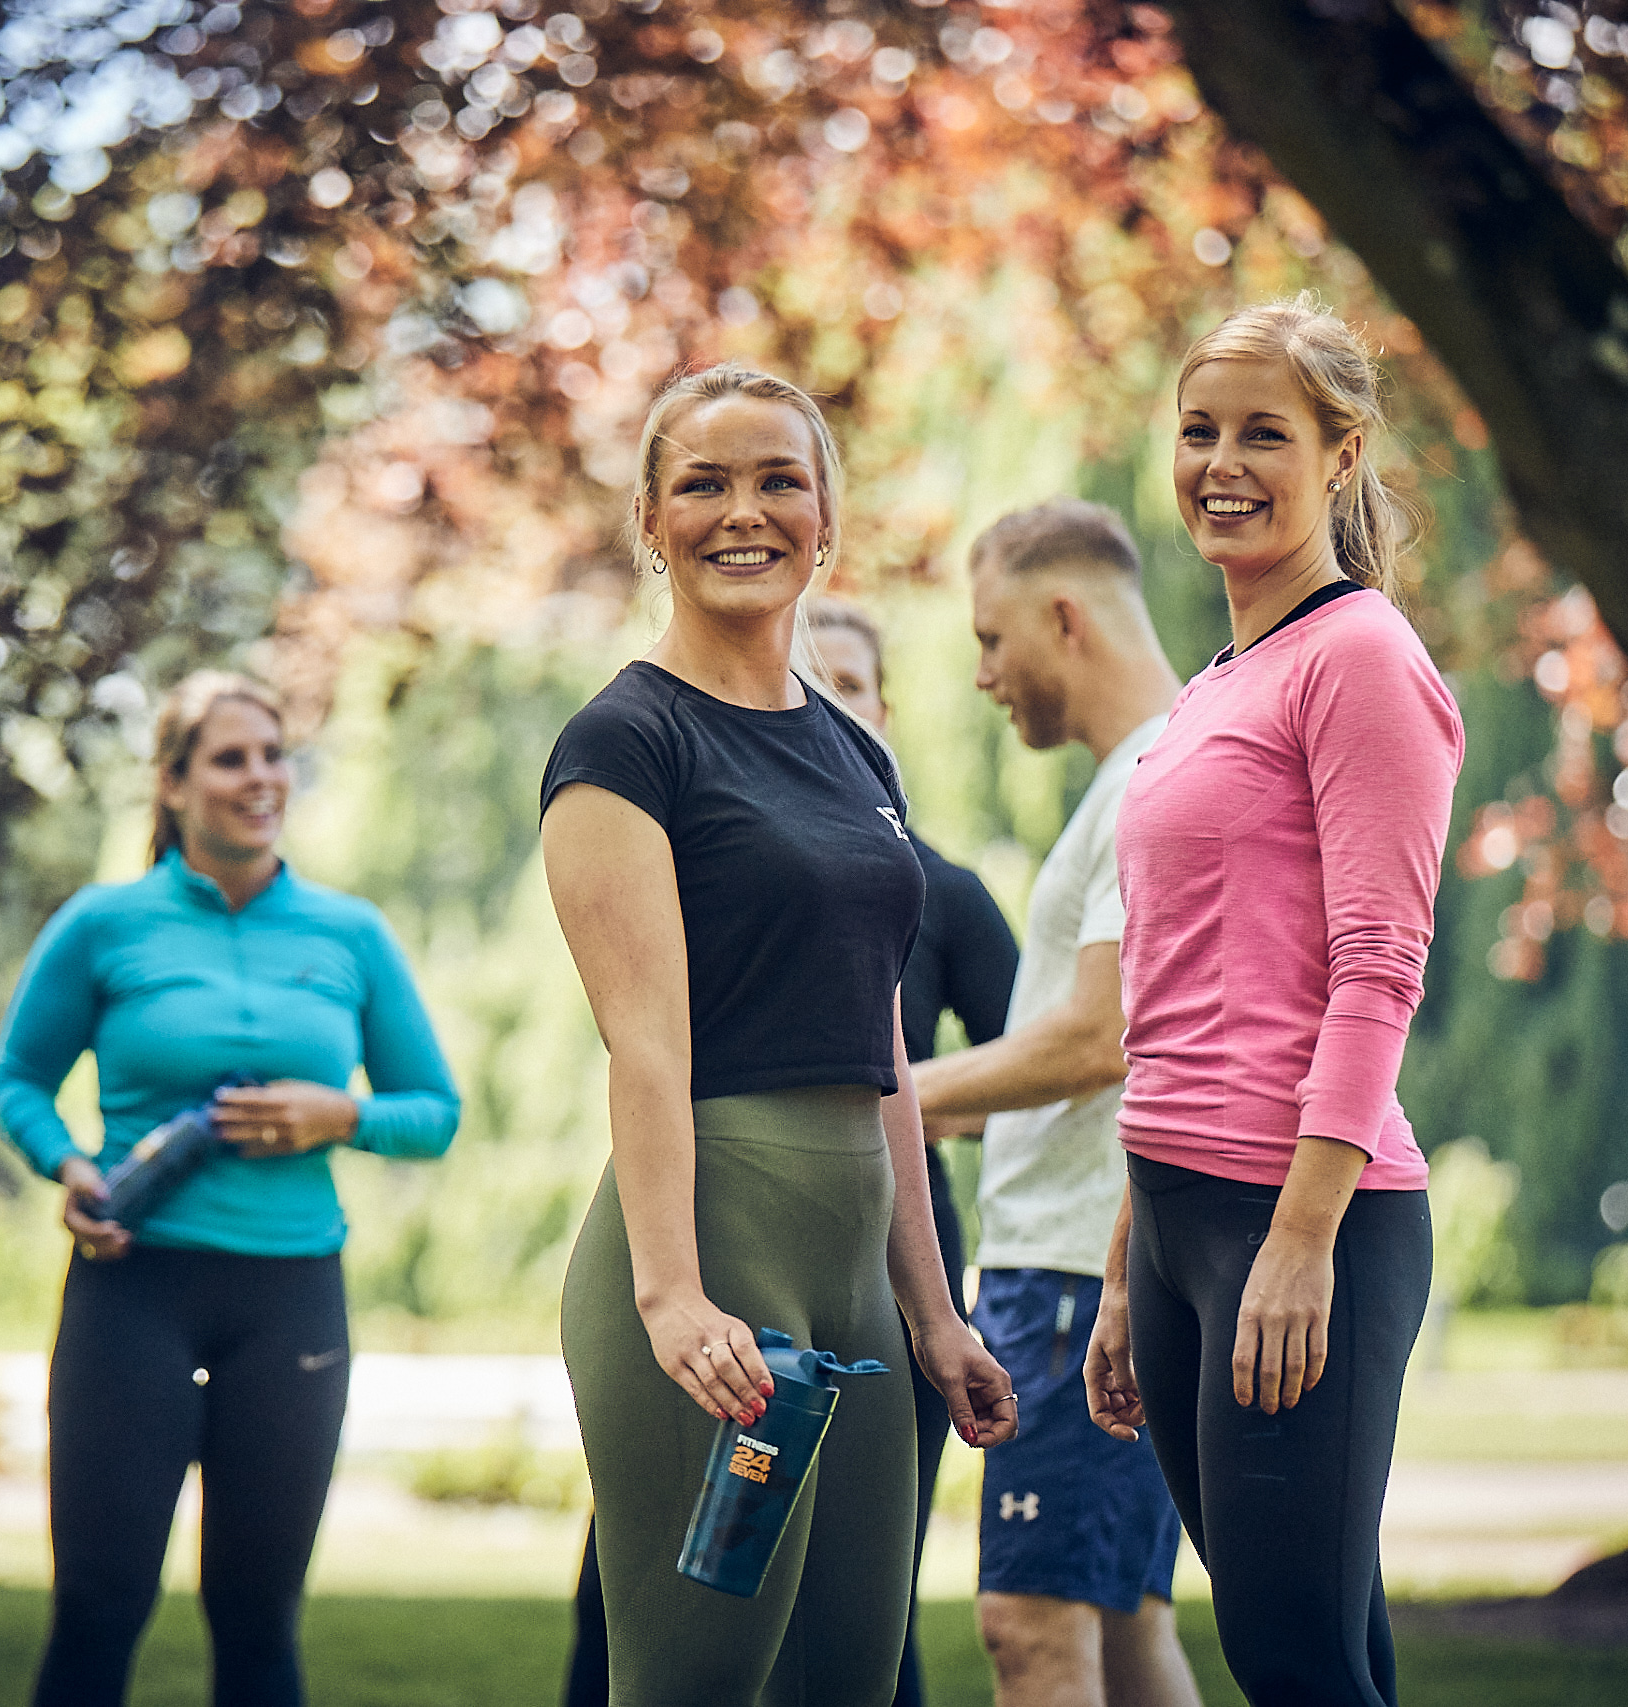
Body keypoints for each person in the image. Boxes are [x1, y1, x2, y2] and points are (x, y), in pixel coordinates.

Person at [541, 363, 1016, 1707]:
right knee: (695, 1679)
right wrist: (673, 1293)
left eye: (776, 480)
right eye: (702, 481)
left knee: (853, 1680)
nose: (741, 512)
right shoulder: (627, 742)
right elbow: (647, 1048)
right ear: (651, 518)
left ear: (827, 518)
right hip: (717, 1264)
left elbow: (884, 1061)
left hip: (860, 1271)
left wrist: (936, 1313)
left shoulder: (859, 759)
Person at [1083, 297, 1462, 1707]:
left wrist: (1300, 1241)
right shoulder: (1216, 685)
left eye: (1264, 432)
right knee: (1315, 1645)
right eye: (1198, 431)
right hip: (1182, 1215)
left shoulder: (1361, 658)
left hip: (1307, 1222)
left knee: (1290, 1653)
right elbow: (1170, 995)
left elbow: (1380, 969)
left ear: (1341, 452)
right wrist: (1130, 1261)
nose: (1221, 463)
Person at [0, 670, 460, 1707]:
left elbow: (434, 1109)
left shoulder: (349, 934)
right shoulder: (104, 924)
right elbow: (15, 1081)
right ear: (172, 782)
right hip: (132, 1292)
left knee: (257, 1621)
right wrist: (67, 1164)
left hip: (290, 1298)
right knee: (99, 1607)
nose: (260, 779)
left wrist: (342, 1116)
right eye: (230, 758)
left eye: (272, 755)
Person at [910, 502, 1202, 1707]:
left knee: (1030, 1630)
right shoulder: (1154, 770)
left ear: (1062, 616)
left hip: (1079, 1280)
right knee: (1126, 1634)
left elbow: (1100, 1034)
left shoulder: (1150, 779)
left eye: (991, 639)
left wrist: (878, 1100)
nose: (983, 675)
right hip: (1098, 1264)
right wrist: (948, 1107)